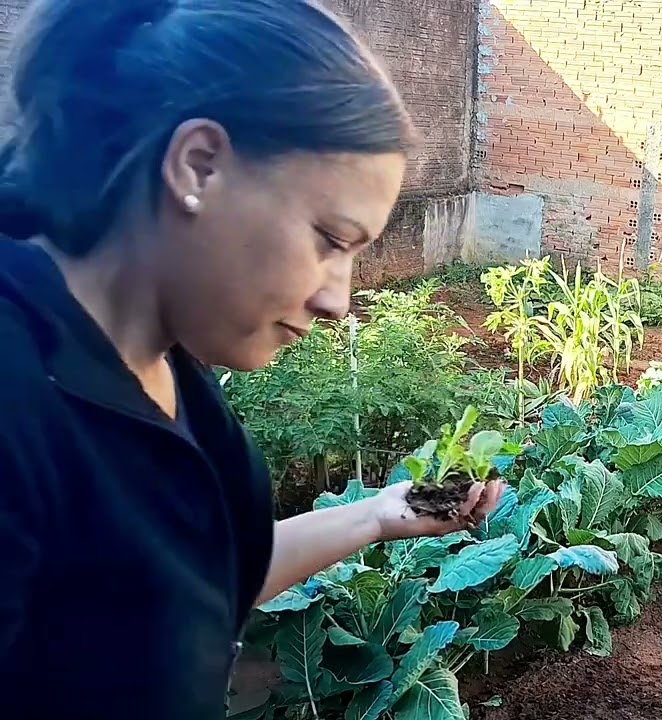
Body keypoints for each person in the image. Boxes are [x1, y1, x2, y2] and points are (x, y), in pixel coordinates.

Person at [0, 1, 505, 716]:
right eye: (331, 240)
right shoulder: (17, 396)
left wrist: (375, 517)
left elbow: (188, 578)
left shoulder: (166, 362)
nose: (339, 300)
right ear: (199, 165)